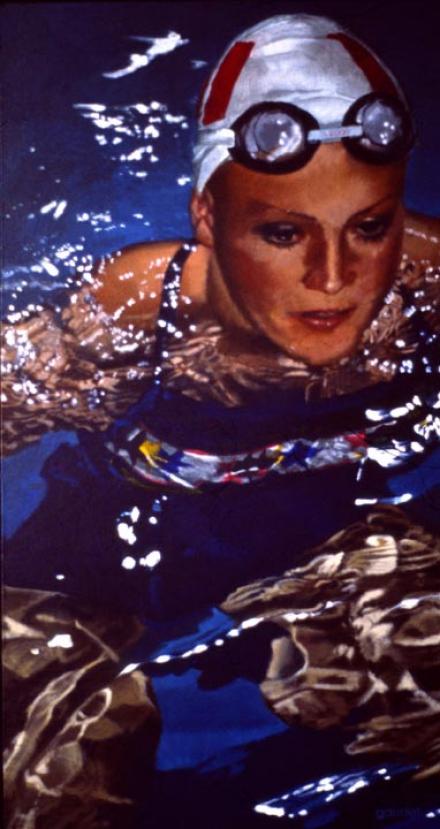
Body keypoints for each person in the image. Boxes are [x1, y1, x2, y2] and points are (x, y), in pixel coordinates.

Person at [2, 13, 440, 828]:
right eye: (283, 233)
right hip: (102, 554)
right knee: (61, 753)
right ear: (207, 217)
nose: (333, 278)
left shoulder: (424, 289)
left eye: (370, 227)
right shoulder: (139, 312)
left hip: (325, 546)